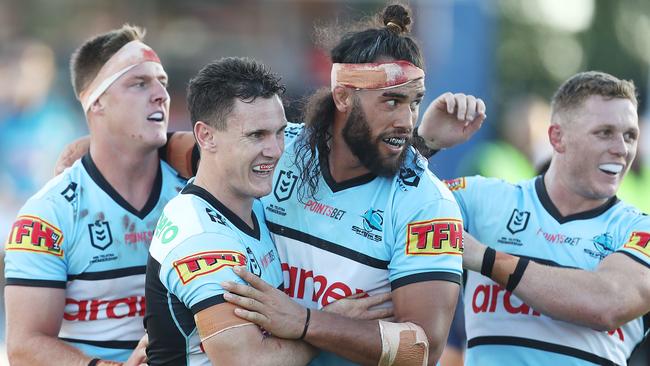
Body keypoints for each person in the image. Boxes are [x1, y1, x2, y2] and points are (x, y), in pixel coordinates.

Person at [219, 4, 485, 365]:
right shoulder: (281, 150)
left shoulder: (430, 205)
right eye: (391, 101)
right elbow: (193, 153)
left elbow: (422, 348)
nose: (406, 121)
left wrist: (306, 322)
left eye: (414, 103)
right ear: (343, 96)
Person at [418, 70, 650, 365]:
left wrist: (484, 258)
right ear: (557, 137)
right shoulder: (482, 198)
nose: (621, 149)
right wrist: (424, 144)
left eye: (630, 136)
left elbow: (607, 304)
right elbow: (388, 211)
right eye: (604, 132)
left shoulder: (639, 228)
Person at [4, 25, 187, 365]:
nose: (161, 94)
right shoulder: (48, 215)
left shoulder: (194, 192)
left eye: (161, 81)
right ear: (97, 101)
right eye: (139, 83)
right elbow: (24, 346)